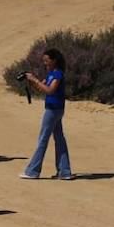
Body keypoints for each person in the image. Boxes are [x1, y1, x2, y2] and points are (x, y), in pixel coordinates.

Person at [21, 48, 72, 180]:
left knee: (43, 139)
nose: (45, 63)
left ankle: (33, 171)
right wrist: (31, 81)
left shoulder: (57, 75)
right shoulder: (50, 74)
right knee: (59, 139)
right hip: (55, 109)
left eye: (47, 60)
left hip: (53, 110)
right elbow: (41, 88)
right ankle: (64, 172)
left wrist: (35, 80)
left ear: (54, 60)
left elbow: (50, 90)